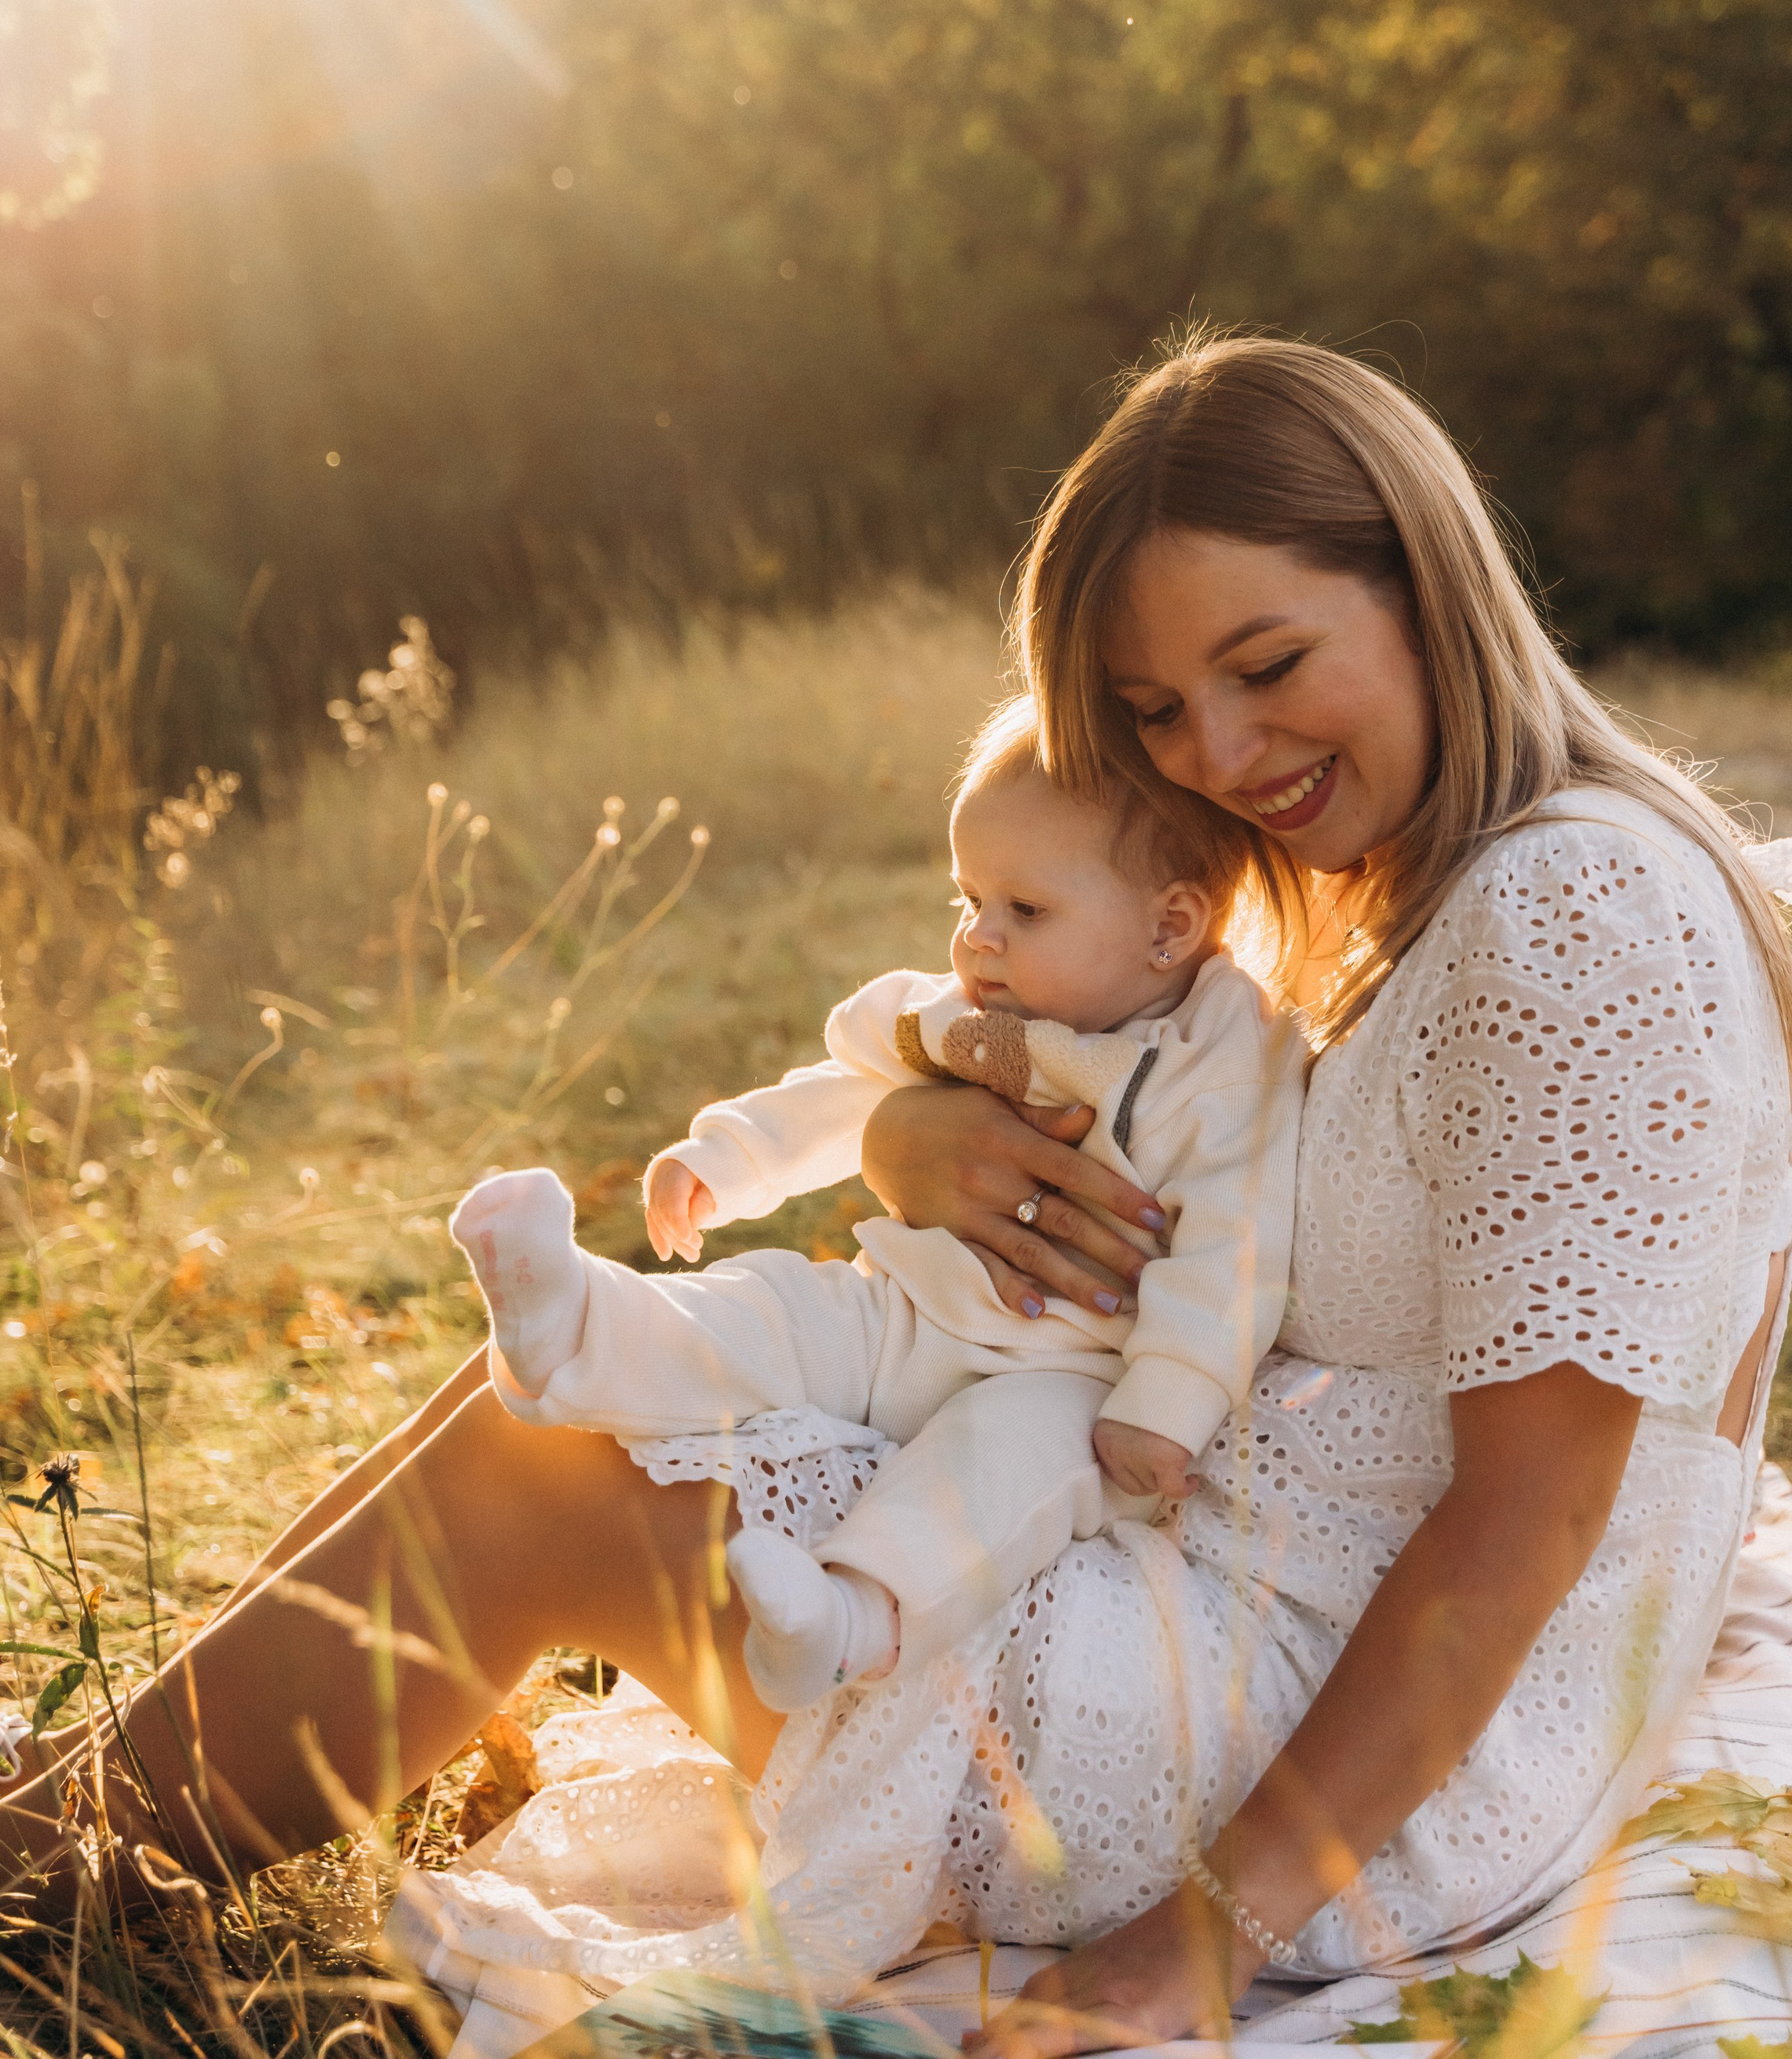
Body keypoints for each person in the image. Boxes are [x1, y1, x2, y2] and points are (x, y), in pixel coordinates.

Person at [0, 335, 1792, 2059]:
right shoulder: (1410, 873)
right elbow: (1121, 1109)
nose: (1215, 750)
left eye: (1270, 663)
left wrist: (1191, 1948)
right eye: (1150, 709)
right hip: (1234, 1564)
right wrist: (907, 1143)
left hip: (1335, 1741)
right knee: (536, 1398)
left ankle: (36, 1883)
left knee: (545, 1476)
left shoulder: (1573, 923)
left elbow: (1534, 1519)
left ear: (1424, 584)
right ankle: (83, 1808)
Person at [446, 693, 1305, 1713]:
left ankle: (839, 1621)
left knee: (1001, 1478)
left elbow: (1235, 1248)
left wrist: (1165, 1405)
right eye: (966, 901)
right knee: (769, 1311)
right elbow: (846, 1091)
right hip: (898, 1313)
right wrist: (724, 1157)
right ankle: (575, 1327)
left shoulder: (1219, 1061)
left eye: (1024, 911)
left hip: (1066, 1374)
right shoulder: (958, 1017)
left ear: (1170, 926)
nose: (978, 941)